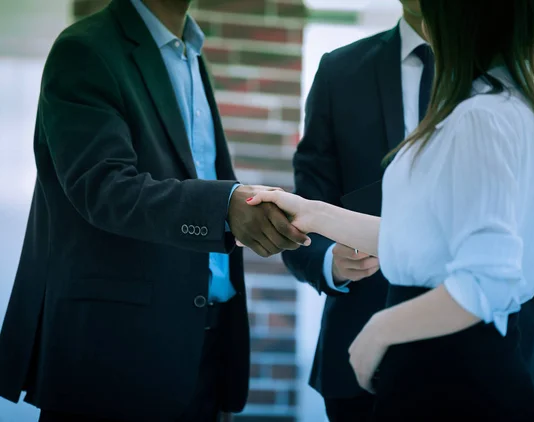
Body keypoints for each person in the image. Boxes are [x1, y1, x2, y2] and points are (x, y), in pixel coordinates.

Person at [251, 0, 534, 419]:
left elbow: (486, 281)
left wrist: (380, 330)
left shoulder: (479, 118)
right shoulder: (531, 113)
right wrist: (312, 213)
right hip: (469, 364)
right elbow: (427, 244)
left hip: (444, 371)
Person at [0, 0, 310, 421]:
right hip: (114, 360)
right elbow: (103, 187)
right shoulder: (85, 49)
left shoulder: (189, 54)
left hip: (204, 351)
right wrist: (224, 207)